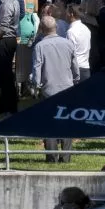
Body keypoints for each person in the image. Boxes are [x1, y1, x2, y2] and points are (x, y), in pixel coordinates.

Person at [32, 15, 78, 163]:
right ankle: (66, 157)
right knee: (66, 122)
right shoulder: (68, 43)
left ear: (42, 30)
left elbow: (37, 69)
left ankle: (52, 157)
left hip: (49, 89)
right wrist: (75, 80)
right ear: (56, 28)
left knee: (49, 124)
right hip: (67, 88)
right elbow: (75, 68)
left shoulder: (39, 46)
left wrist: (35, 86)